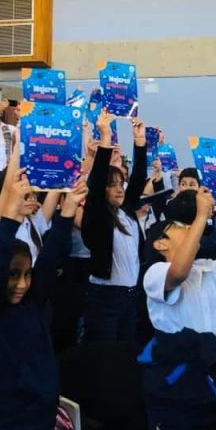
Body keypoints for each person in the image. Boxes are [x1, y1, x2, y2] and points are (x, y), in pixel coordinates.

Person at [0, 166, 86, 430]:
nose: (21, 284)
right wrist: (11, 218)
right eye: (13, 275)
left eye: (27, 274)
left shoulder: (33, 303)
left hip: (43, 412)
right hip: (5, 419)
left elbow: (50, 256)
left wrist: (69, 210)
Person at [139, 188, 216, 429]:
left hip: (212, 370)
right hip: (177, 379)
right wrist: (200, 217)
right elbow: (179, 271)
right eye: (180, 228)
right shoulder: (155, 273)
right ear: (161, 243)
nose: (189, 230)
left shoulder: (207, 267)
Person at [81, 110, 147, 342]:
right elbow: (96, 182)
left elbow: (139, 178)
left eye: (121, 184)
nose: (120, 189)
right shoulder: (98, 215)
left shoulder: (126, 211)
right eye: (112, 185)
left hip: (130, 297)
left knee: (126, 356)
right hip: (106, 299)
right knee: (105, 358)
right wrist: (105, 138)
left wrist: (140, 143)